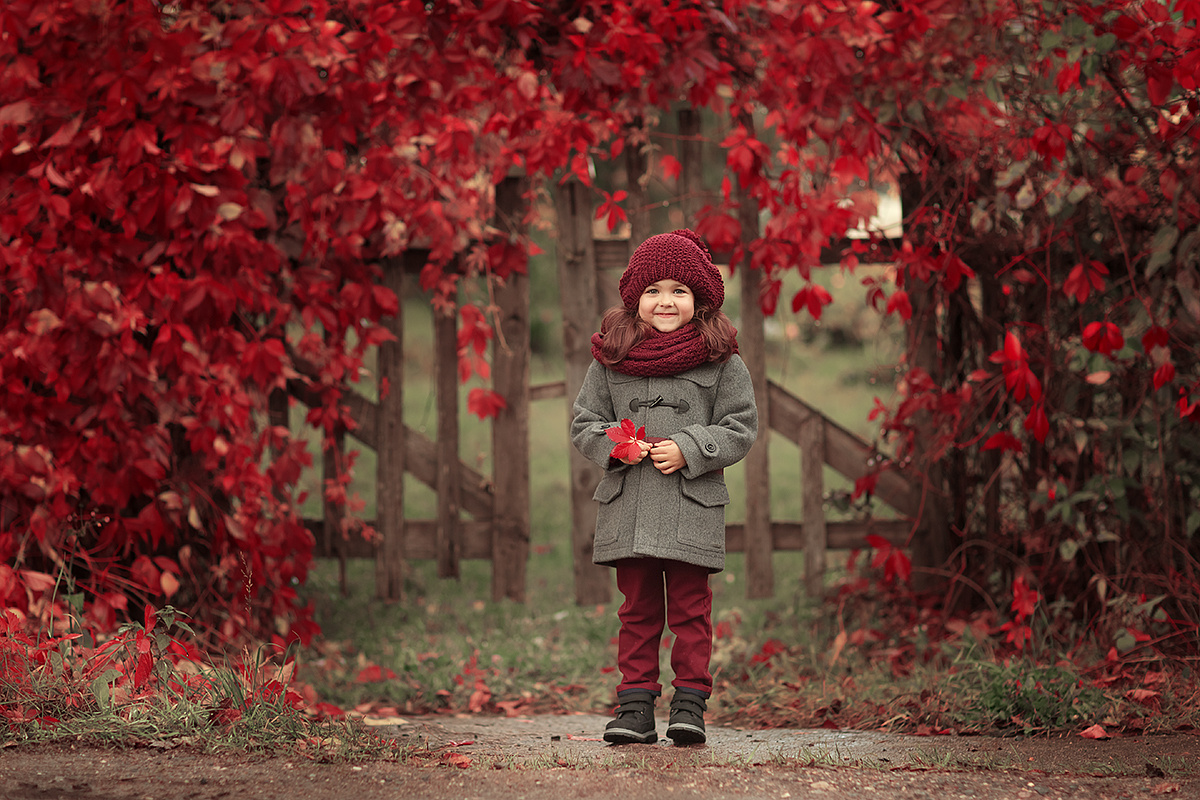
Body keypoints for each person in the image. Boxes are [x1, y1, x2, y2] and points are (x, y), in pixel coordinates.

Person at [570, 228, 759, 746]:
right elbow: (585, 421)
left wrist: (691, 447)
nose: (665, 301)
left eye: (679, 290)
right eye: (653, 290)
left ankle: (690, 705)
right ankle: (634, 707)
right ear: (635, 299)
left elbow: (739, 425)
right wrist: (617, 444)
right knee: (637, 611)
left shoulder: (722, 360)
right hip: (629, 506)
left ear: (699, 299)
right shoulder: (611, 357)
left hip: (690, 507)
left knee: (691, 610)